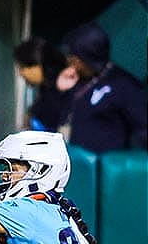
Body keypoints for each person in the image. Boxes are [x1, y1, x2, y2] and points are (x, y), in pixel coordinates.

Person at [58, 21, 147, 152]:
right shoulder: (79, 81)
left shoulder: (124, 84)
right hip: (77, 163)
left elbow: (143, 129)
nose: (70, 61)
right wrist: (61, 90)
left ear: (86, 57)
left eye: (74, 57)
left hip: (108, 167)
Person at [13, 36, 78, 133]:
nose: (20, 73)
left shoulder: (65, 91)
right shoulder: (46, 90)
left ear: (38, 64)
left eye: (22, 68)